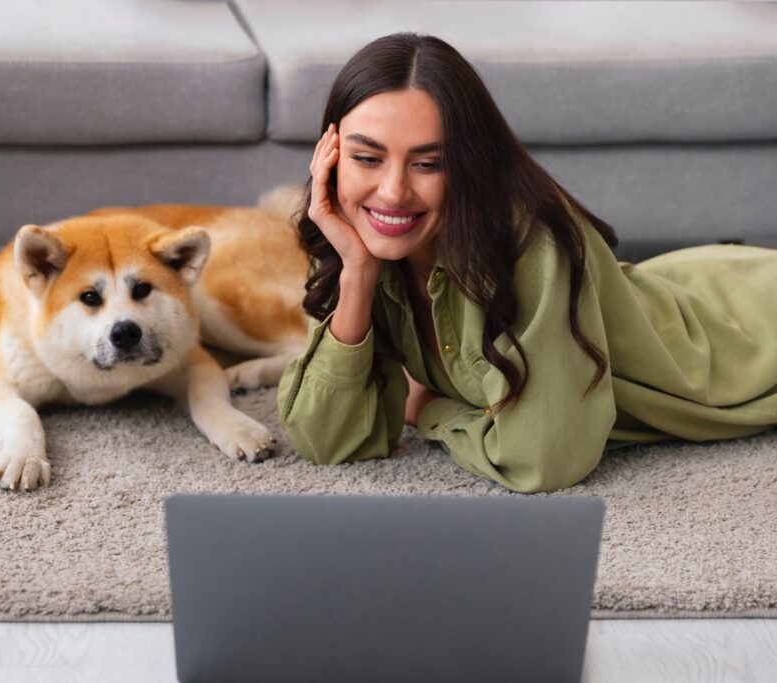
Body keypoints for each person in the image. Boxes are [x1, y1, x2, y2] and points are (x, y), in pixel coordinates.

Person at [277, 32, 777, 493]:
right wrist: (358, 275)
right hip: (679, 286)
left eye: (429, 163)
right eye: (367, 158)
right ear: (332, 157)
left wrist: (429, 408)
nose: (392, 192)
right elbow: (329, 443)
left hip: (744, 334)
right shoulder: (363, 247)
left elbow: (543, 460)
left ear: (470, 165)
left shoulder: (529, 238)